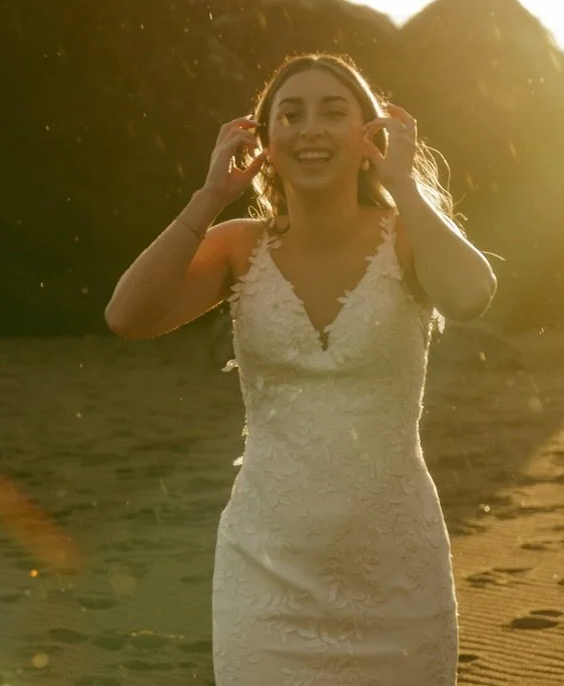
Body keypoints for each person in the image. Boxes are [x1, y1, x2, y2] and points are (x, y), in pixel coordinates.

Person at [105, 52, 497, 684]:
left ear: (368, 135)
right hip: (266, 571)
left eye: (333, 112)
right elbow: (127, 315)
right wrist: (209, 198)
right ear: (263, 142)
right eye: (290, 114)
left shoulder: (407, 236)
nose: (310, 128)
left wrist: (405, 185)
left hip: (398, 570)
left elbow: (472, 295)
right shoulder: (238, 247)